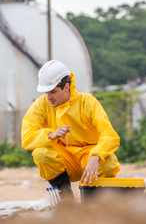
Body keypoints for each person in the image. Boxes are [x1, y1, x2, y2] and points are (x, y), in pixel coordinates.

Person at [21, 60, 120, 199]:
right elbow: (26, 137)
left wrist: (96, 156)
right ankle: (65, 196)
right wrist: (50, 134)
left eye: (53, 92)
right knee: (41, 153)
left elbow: (110, 136)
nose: (49, 97)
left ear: (66, 87)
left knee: (108, 163)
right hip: (64, 160)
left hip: (89, 157)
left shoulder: (87, 102)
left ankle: (93, 201)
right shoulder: (42, 104)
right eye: (46, 92)